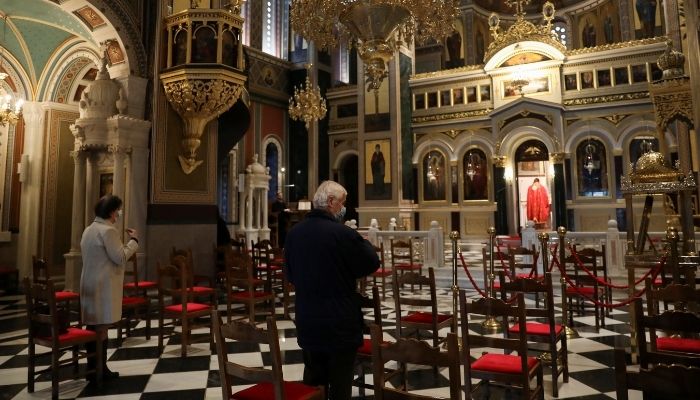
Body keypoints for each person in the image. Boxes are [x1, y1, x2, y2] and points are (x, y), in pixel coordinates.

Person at [284, 181, 380, 399]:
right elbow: (372, 262)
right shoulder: (342, 234)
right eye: (343, 203)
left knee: (313, 386)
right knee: (340, 387)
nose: (344, 208)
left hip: (307, 321)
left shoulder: (294, 234)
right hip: (339, 325)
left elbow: (290, 275)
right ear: (331, 202)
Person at [80, 195, 139, 384]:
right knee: (101, 328)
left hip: (89, 283)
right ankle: (99, 369)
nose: (119, 214)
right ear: (113, 212)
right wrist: (134, 241)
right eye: (118, 210)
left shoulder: (89, 229)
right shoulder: (108, 231)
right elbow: (120, 257)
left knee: (93, 326)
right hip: (102, 286)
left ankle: (94, 367)